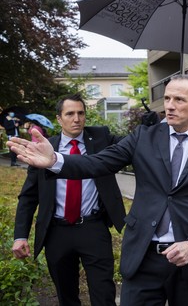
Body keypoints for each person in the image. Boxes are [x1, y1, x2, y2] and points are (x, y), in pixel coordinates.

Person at [9, 75, 188, 306]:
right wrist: (55, 160)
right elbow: (97, 163)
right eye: (166, 98)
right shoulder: (142, 137)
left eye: (179, 99)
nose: (169, 105)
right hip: (143, 257)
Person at [12, 93, 126, 306]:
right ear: (59, 118)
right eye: (70, 113)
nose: (77, 119)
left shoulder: (101, 139)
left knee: (104, 294)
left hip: (93, 228)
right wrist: (20, 236)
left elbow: (129, 145)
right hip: (57, 232)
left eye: (81, 113)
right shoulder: (45, 148)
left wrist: (150, 128)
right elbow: (28, 196)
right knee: (67, 296)